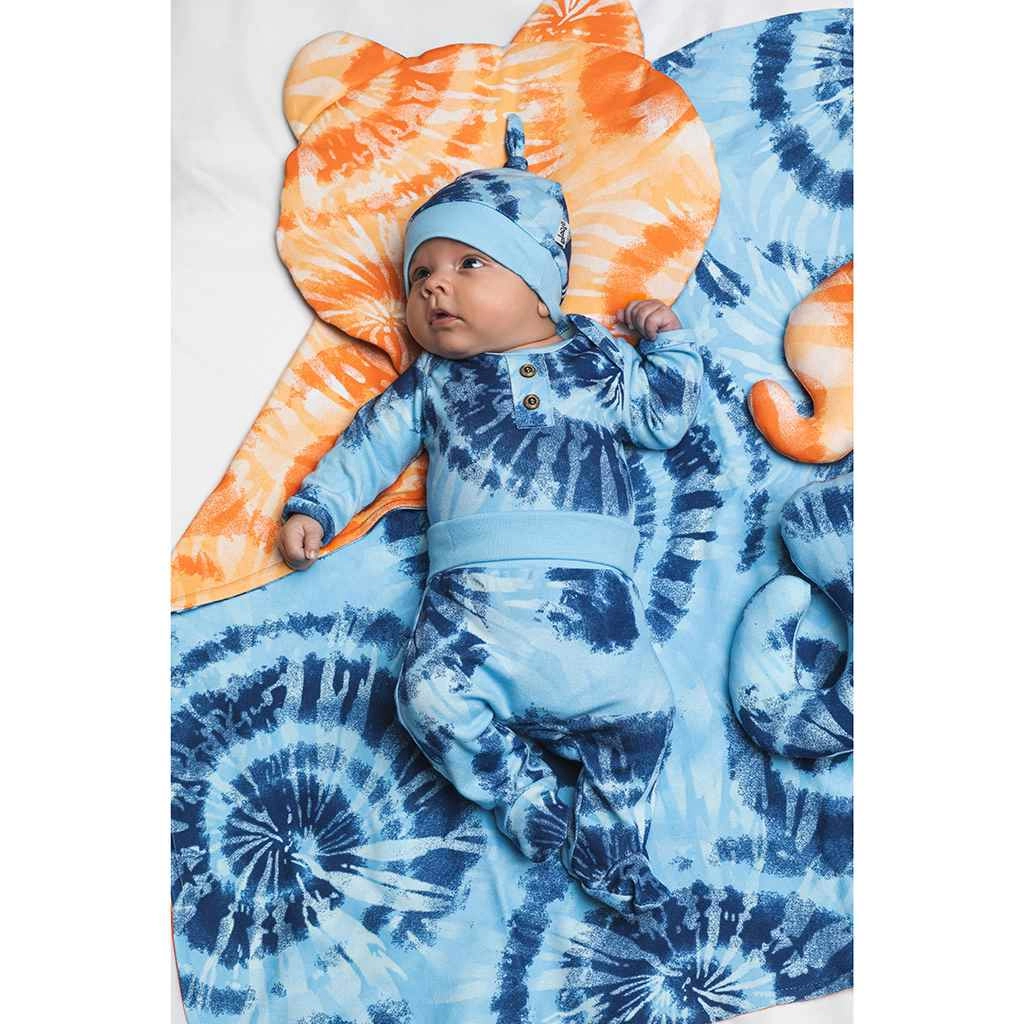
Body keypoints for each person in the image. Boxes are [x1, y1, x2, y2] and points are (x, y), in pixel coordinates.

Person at [277, 114, 704, 919]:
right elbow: (367, 444)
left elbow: (664, 420)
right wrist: (317, 506)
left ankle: (612, 843)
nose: (434, 287)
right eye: (420, 275)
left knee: (646, 718)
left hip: (598, 613)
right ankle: (521, 795)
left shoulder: (595, 358)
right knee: (425, 698)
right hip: (473, 609)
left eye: (468, 263)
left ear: (539, 285)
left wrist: (671, 348)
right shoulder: (435, 381)